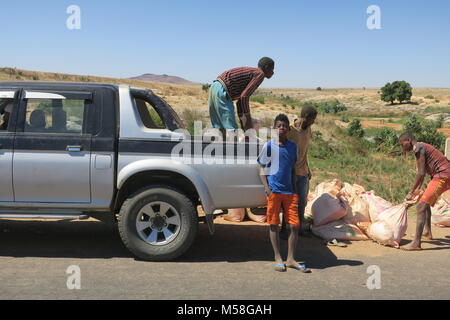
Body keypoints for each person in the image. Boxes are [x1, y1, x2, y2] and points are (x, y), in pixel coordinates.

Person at [258, 113, 311, 273]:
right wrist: (267, 188)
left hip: (289, 191)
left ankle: (291, 259)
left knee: (294, 226)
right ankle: (277, 257)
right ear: (274, 129)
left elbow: (293, 169)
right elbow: (261, 168)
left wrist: (295, 189)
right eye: (279, 126)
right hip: (274, 191)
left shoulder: (292, 147)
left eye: (284, 126)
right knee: (273, 225)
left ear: (288, 129)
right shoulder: (268, 146)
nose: (281, 128)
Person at [399, 132, 450, 251]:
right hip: (439, 175)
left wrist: (411, 192)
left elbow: (421, 173)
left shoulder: (418, 148)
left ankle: (416, 243)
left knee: (421, 206)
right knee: (424, 201)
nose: (402, 147)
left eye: (402, 144)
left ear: (408, 141)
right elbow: (422, 172)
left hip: (443, 175)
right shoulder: (421, 146)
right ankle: (427, 232)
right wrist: (418, 189)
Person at [208, 57, 275, 140]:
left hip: (214, 87)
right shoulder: (259, 74)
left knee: (219, 128)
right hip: (223, 90)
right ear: (266, 67)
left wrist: (244, 123)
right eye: (272, 69)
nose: (273, 72)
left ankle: (220, 149)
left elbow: (240, 102)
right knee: (231, 130)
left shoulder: (253, 73)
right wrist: (248, 119)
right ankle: (234, 151)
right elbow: (244, 96)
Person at [281, 106, 317, 237]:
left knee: (302, 202)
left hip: (303, 172)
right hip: (290, 173)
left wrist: (308, 168)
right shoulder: (289, 130)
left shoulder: (308, 130)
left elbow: (305, 151)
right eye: (313, 119)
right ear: (306, 117)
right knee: (288, 202)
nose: (314, 122)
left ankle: (299, 228)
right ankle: (284, 229)